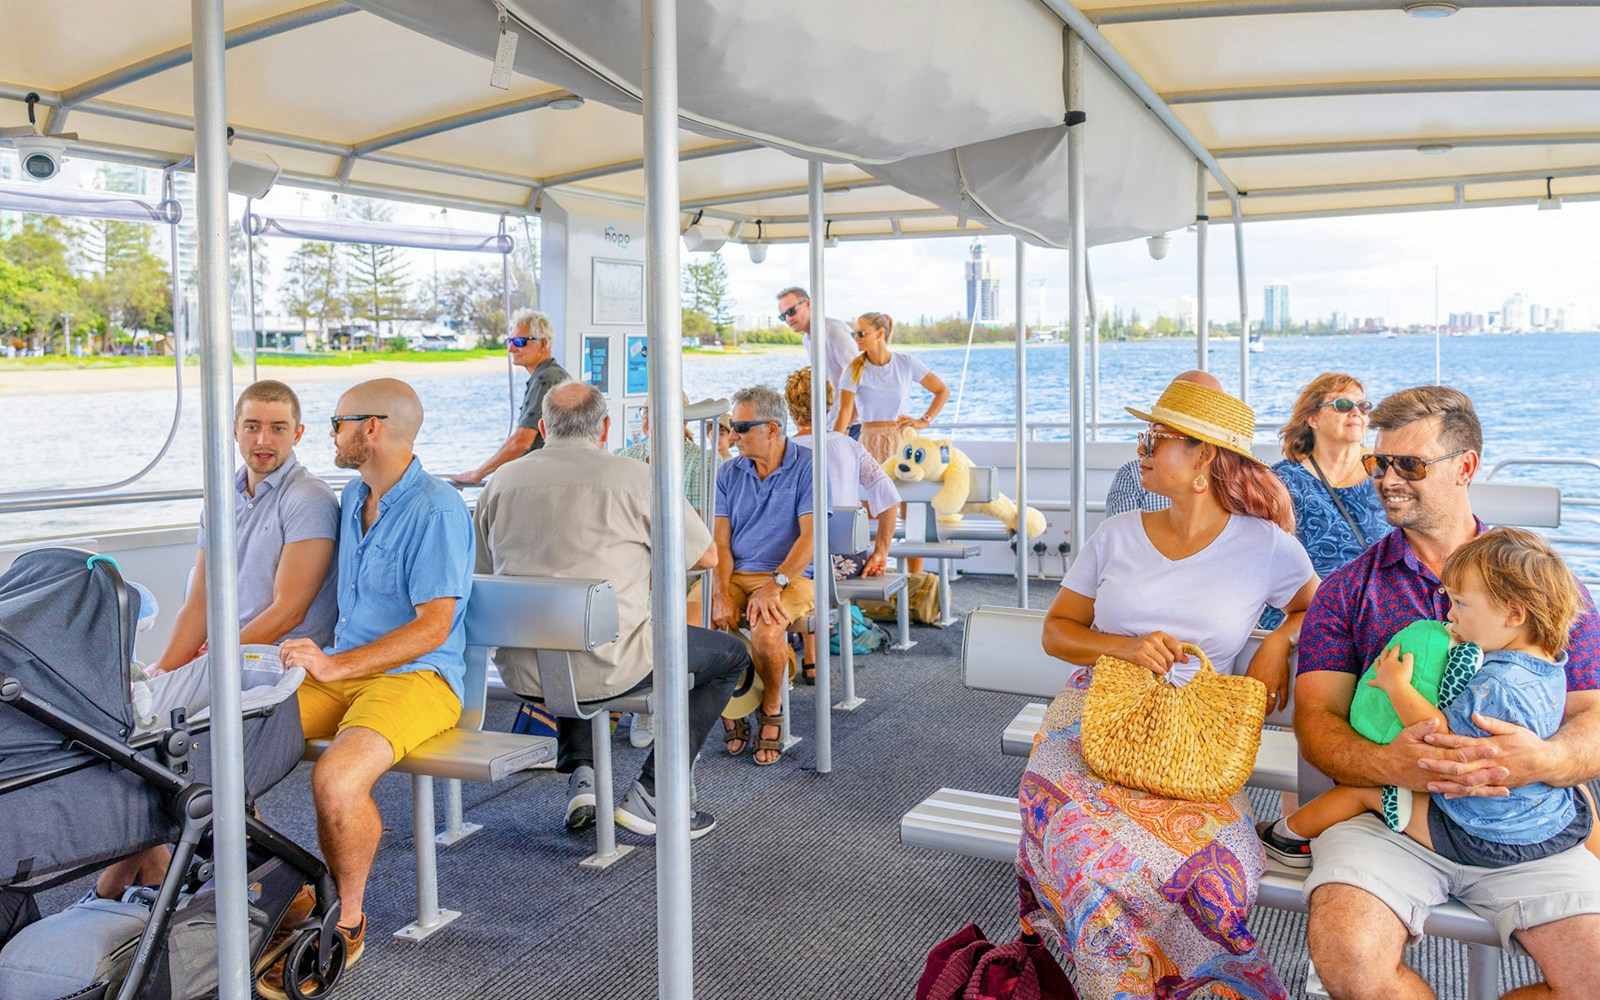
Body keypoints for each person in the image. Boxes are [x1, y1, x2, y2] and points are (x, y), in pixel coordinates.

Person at [1293, 385, 1600, 1000]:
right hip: (1393, 818)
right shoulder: (1347, 592)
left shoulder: (1538, 578)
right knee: (1351, 959)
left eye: (1409, 464)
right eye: (1379, 463)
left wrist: (1546, 759)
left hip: (1525, 818)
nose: (1386, 479)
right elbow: (1316, 719)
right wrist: (1391, 764)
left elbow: (1591, 712)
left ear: (1465, 467)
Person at [1018, 377, 1317, 1000]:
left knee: (1214, 871)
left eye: (1155, 439)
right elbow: (1056, 632)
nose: (1142, 452)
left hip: (1196, 734)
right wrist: (1124, 646)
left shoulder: (1267, 546)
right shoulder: (1118, 533)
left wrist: (1275, 647)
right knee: (1088, 856)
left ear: (1205, 456)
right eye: (1144, 438)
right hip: (1093, 714)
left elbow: (1315, 610)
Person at [258, 379, 473, 1000]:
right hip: (345, 672)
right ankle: (284, 888)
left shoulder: (437, 508)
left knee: (337, 779)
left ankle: (344, 920)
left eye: (337, 422)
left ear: (371, 427)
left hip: (420, 678)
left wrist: (334, 664)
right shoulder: (355, 496)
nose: (331, 433)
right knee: (221, 748)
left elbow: (433, 627)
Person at [94, 379, 339, 901]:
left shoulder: (310, 499)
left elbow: (288, 609)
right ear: (235, 431)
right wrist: (165, 669)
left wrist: (217, 655)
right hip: (226, 658)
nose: (263, 440)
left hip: (276, 668)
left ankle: (119, 886)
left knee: (167, 757)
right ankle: (154, 871)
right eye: (252, 426)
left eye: (277, 428)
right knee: (128, 724)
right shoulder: (222, 497)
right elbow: (198, 604)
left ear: (299, 433)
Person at [474, 382, 746, 837]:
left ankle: (583, 778)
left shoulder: (499, 483)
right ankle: (654, 792)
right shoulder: (637, 478)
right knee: (729, 658)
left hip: (523, 673)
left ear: (543, 428)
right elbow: (706, 558)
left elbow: (482, 573)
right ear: (605, 428)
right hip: (612, 666)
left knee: (559, 612)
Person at [1264, 528, 1589, 873]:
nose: (1450, 615)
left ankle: (1283, 837)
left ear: (1514, 614)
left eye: (1461, 604)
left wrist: (1396, 685)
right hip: (1533, 820)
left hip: (1476, 832)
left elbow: (1440, 736)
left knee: (1362, 793)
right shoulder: (1552, 667)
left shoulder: (1494, 684)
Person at [710, 384, 825, 766]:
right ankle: (733, 705)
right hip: (736, 573)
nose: (732, 436)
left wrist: (774, 585)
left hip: (791, 577)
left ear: (772, 428)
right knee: (693, 622)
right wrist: (719, 592)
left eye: (741, 428)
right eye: (730, 427)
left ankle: (771, 707)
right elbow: (720, 544)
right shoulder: (728, 472)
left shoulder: (809, 465)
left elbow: (811, 537)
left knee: (765, 629)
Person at [785, 366, 900, 683]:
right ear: (829, 403)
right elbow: (888, 497)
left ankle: (806, 659)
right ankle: (812, 658)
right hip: (845, 562)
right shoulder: (848, 446)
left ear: (789, 408)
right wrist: (880, 552)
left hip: (794, 563)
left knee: (797, 557)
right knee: (815, 559)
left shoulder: (782, 451)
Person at [1272, 372, 1389, 577]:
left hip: (1375, 603)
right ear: (1313, 419)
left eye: (1363, 406)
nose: (1356, 412)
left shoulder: (1387, 471)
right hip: (1308, 605)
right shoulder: (1284, 480)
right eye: (1342, 405)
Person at [447, 309, 569, 486]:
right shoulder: (548, 376)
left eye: (519, 342)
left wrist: (477, 474)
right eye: (510, 341)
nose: (511, 348)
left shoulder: (547, 378)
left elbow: (522, 441)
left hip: (546, 481)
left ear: (543, 343)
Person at [1102, 369, 1223, 517]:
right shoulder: (1133, 476)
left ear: (1204, 454)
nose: (1141, 449)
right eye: (1149, 434)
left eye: (1158, 436)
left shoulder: (1247, 485)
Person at [777, 285, 859, 437]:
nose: (788, 318)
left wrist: (847, 426)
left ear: (808, 304)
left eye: (791, 311)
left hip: (853, 425)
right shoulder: (807, 339)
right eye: (783, 316)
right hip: (833, 423)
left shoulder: (835, 332)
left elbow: (861, 378)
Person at [618, 394, 716, 516]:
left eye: (662, 411)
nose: (652, 418)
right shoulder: (626, 456)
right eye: (647, 411)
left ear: (684, 421)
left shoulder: (703, 461)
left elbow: (698, 523)